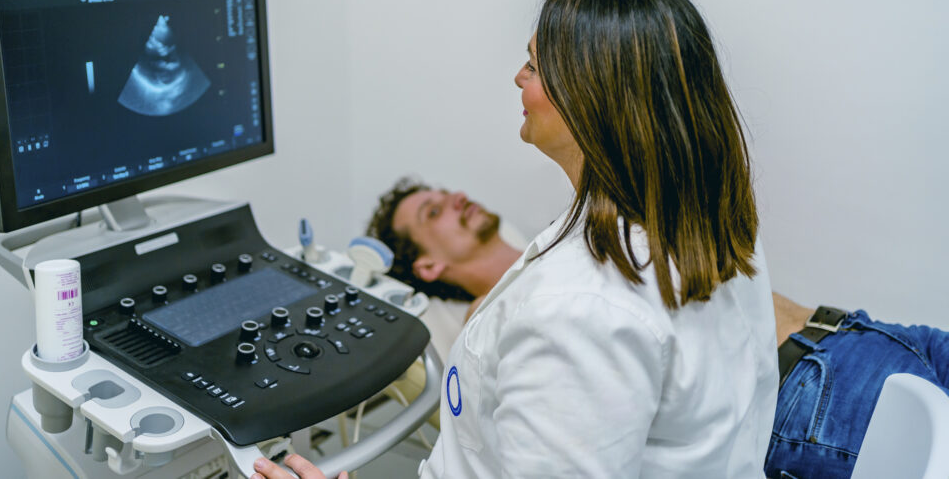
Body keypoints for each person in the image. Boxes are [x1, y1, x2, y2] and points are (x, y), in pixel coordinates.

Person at [253, 0, 778, 478]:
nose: (518, 78)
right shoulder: (709, 221)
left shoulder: (576, 313)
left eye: (534, 65)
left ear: (589, 95)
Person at [367, 178, 949, 479]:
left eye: (443, 193)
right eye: (433, 213)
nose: (455, 199)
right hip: (810, 391)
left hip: (858, 331)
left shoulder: (566, 236)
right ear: (427, 268)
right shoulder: (501, 314)